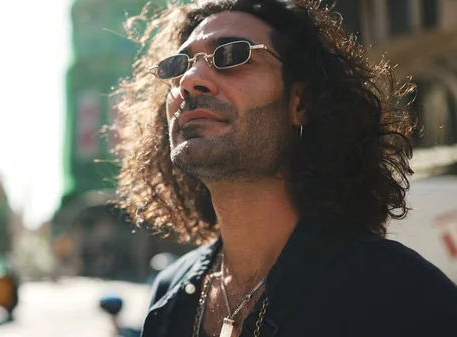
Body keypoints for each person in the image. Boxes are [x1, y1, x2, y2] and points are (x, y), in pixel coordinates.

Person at [111, 0, 457, 336]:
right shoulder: (170, 297)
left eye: (232, 55)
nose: (190, 80)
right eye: (178, 65)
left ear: (301, 103)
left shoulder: (402, 297)